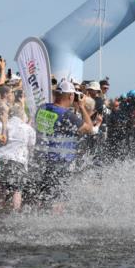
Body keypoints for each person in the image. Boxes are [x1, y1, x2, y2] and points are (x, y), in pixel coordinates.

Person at [29, 79, 95, 207]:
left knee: (43, 197)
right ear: (71, 96)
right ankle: (54, 224)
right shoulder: (67, 115)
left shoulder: (42, 108)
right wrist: (81, 106)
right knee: (59, 201)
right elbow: (89, 129)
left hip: (41, 160)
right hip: (60, 163)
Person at [0, 103, 37, 212]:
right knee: (17, 190)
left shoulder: (1, 125)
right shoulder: (28, 129)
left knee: (0, 189)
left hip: (0, 160)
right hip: (18, 162)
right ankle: (15, 213)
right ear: (22, 115)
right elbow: (31, 146)